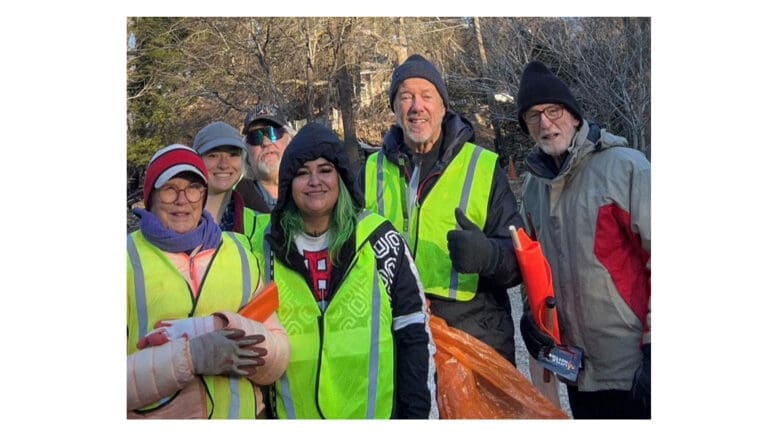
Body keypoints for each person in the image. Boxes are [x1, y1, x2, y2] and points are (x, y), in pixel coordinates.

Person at [256, 122, 438, 419]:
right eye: (302, 173)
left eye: (325, 170)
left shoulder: (381, 240)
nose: (315, 180)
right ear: (289, 183)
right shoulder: (266, 249)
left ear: (341, 177)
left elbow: (414, 335)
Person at [358, 54, 524, 364]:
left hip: (473, 335)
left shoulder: (483, 166)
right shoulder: (371, 170)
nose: (416, 106)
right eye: (405, 97)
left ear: (443, 106)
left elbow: (519, 261)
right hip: (395, 335)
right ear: (394, 108)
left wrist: (489, 255)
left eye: (426, 96)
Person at [515, 60, 651, 419]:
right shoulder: (533, 189)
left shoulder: (626, 168)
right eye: (533, 116)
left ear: (574, 115)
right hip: (579, 375)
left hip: (635, 370)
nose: (545, 123)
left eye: (553, 110)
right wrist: (534, 321)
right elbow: (535, 269)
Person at [126, 144, 290, 419]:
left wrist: (217, 327)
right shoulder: (126, 259)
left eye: (192, 188)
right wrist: (191, 357)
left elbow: (279, 356)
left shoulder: (239, 252)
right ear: (150, 197)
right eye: (169, 188)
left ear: (203, 195)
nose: (182, 199)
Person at [193, 120, 264, 249]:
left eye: (233, 155)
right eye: (213, 155)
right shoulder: (178, 219)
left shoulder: (260, 224)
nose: (224, 165)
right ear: (196, 160)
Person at [235, 103, 296, 212]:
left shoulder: (314, 192)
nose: (266, 142)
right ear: (246, 152)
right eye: (255, 137)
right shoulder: (232, 206)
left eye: (273, 133)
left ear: (290, 140)